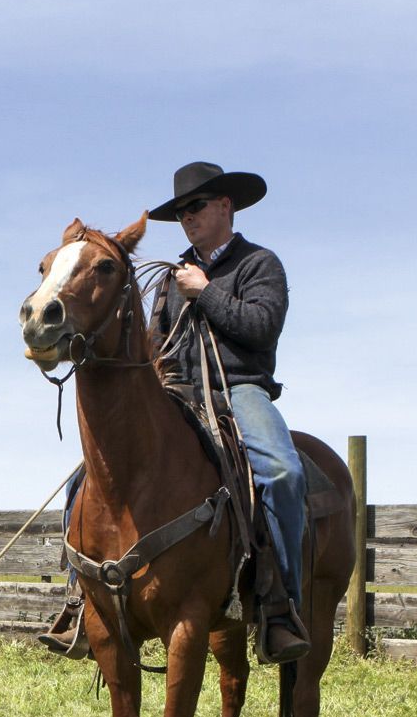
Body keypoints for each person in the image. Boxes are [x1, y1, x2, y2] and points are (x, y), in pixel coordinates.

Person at [39, 161, 311, 665]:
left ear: (225, 206)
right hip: (177, 391)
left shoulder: (259, 265)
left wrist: (205, 291)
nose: (187, 218)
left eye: (196, 207)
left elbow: (261, 328)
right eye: (181, 211)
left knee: (281, 471)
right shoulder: (168, 278)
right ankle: (80, 601)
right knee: (85, 481)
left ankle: (279, 605)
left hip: (240, 390)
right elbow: (157, 340)